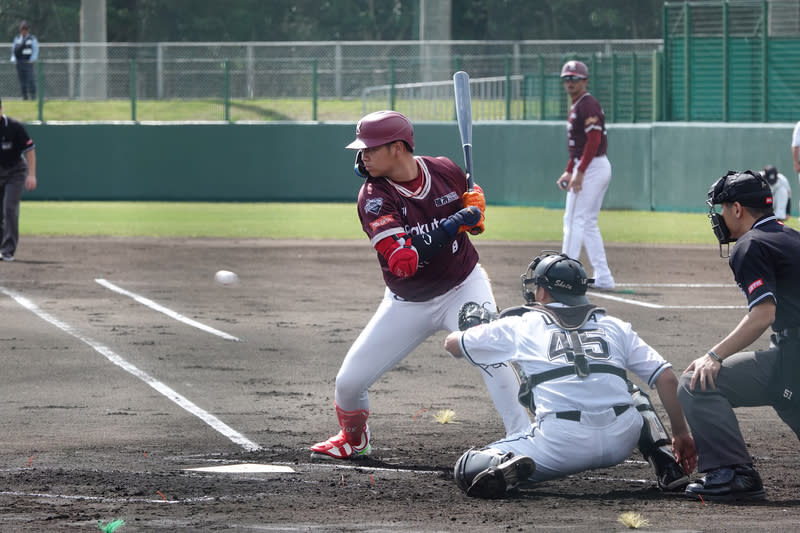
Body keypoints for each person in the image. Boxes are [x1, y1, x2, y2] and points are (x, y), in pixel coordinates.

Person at [309, 110, 531, 460]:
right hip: (407, 301)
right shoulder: (374, 197)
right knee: (348, 385)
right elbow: (404, 262)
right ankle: (354, 439)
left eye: (370, 148)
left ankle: (524, 436)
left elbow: (472, 210)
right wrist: (456, 222)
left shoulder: (444, 169)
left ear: (398, 148)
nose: (362, 156)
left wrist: (476, 210)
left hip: (464, 286)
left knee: (491, 353)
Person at [444, 252, 696, 498]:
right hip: (622, 438)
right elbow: (666, 378)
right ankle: (665, 461)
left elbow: (453, 345)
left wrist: (478, 328)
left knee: (468, 466)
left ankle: (502, 462)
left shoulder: (522, 324)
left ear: (542, 291)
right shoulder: (615, 326)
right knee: (632, 392)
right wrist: (681, 433)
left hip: (562, 444)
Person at [678, 170, 800, 502]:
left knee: (695, 383)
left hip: (796, 358)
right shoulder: (792, 237)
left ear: (737, 209)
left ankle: (733, 474)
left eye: (721, 209)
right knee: (785, 395)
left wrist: (713, 355)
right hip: (792, 355)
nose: (718, 217)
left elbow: (764, 314)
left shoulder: (751, 244)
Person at [556, 60, 615, 290]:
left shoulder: (587, 104)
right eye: (567, 78)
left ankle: (563, 275)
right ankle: (604, 277)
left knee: (573, 220)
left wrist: (579, 172)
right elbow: (580, 146)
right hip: (591, 165)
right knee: (588, 223)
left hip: (592, 167)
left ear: (585, 81)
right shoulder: (579, 104)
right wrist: (570, 169)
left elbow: (594, 140)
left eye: (575, 78)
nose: (570, 82)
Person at [0, 97, 36, 262]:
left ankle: (8, 250)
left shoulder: (14, 127)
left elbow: (29, 150)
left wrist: (32, 174)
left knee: (9, 208)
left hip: (15, 172)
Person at [10, 21, 38, 100]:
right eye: (22, 29)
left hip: (28, 63)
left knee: (31, 80)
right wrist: (14, 60)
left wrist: (32, 60)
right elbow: (13, 50)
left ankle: (33, 96)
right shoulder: (17, 39)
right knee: (22, 81)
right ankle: (24, 97)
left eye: (25, 29)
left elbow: (35, 50)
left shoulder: (32, 38)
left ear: (28, 30)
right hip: (19, 63)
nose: (24, 31)